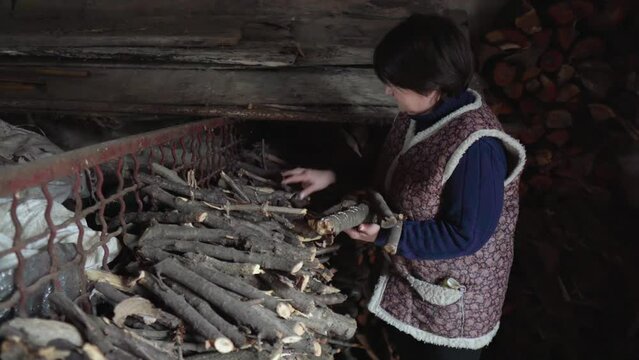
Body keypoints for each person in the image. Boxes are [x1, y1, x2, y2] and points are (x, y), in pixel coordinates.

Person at [282, 13, 526, 360]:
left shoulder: (478, 149)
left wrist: (387, 237)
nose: (387, 89)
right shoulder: (420, 116)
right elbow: (394, 173)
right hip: (415, 284)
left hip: (453, 308)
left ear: (432, 88)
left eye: (394, 83)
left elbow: (465, 236)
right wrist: (332, 177)